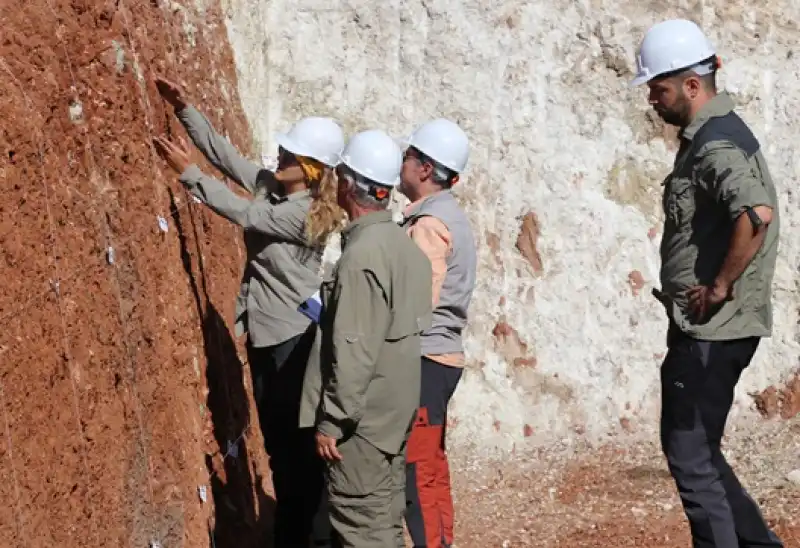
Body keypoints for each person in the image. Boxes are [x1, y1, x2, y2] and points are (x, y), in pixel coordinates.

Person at [152, 76, 345, 548]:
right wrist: (185, 109)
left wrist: (187, 174)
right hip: (270, 335)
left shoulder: (298, 214)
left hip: (290, 341)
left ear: (312, 171)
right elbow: (228, 158)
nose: (279, 158)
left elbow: (242, 214)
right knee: (283, 446)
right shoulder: (279, 190)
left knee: (289, 449)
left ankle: (300, 535)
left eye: (290, 156)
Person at [630, 19, 783, 548]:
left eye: (659, 87)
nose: (652, 97)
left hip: (713, 332)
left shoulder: (716, 144)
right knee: (701, 449)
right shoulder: (717, 134)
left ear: (692, 86)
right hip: (713, 330)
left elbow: (755, 214)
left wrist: (719, 285)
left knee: (690, 454)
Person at [312, 128, 433, 547]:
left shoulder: (361, 257)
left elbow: (354, 352)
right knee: (381, 520)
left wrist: (331, 421)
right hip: (390, 416)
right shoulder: (401, 245)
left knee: (363, 529)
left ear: (348, 184)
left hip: (361, 425)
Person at [397, 119, 476, 548]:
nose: (402, 162)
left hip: (424, 361)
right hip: (441, 360)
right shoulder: (450, 216)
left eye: (408, 155)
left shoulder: (428, 224)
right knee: (431, 466)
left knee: (417, 470)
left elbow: (414, 303)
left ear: (425, 169)